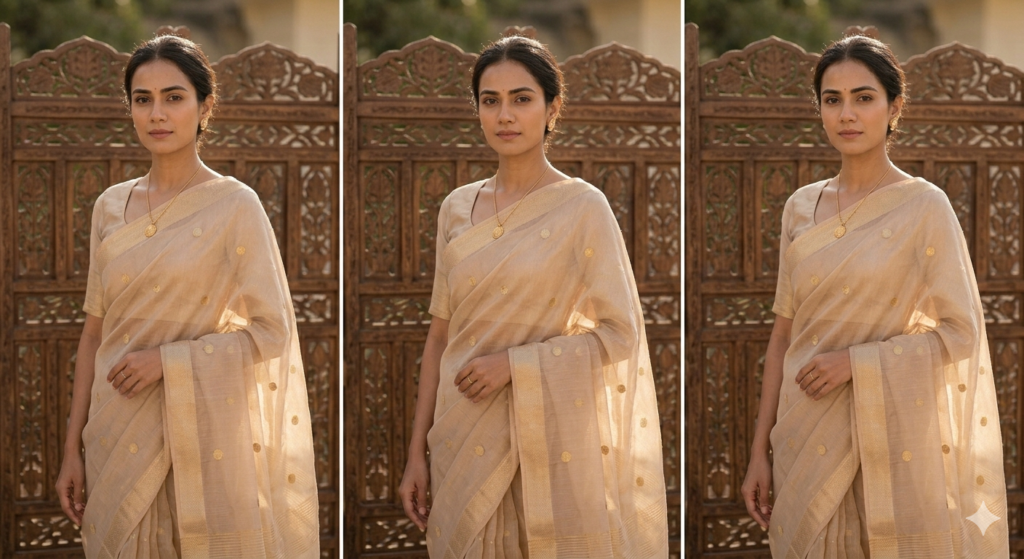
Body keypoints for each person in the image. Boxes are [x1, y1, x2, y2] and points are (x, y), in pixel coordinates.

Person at [397, 35, 668, 557]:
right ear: (476, 109)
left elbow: (620, 334)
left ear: (552, 108)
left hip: (553, 444)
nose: (506, 115)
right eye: (490, 100)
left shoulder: (581, 208)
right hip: (461, 430)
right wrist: (417, 453)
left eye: (522, 98)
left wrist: (515, 365)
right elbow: (440, 337)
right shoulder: (456, 209)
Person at [741, 34, 1009, 557]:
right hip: (803, 430)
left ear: (894, 107)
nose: (847, 114)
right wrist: (759, 452)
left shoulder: (922, 207)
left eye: (864, 97)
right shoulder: (800, 208)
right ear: (818, 108)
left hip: (892, 441)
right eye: (832, 99)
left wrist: (857, 364)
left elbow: (961, 333)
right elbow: (783, 337)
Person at [54, 34, 320, 558]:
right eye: (142, 98)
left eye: (174, 97)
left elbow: (272, 331)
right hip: (115, 431)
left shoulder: (233, 205)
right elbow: (94, 334)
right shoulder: (109, 208)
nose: (157, 113)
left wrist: (167, 362)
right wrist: (72, 449)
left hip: (205, 441)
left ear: (204, 106)